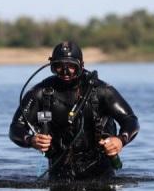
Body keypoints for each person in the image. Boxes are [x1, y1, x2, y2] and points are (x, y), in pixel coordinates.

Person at [9, 41, 139, 180]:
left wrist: (120, 140)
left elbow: (130, 120)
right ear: (52, 65)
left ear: (81, 65)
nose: (65, 72)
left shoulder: (102, 91)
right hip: (59, 173)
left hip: (101, 172)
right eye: (59, 66)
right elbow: (16, 128)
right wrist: (30, 140)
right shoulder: (40, 93)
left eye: (71, 66)